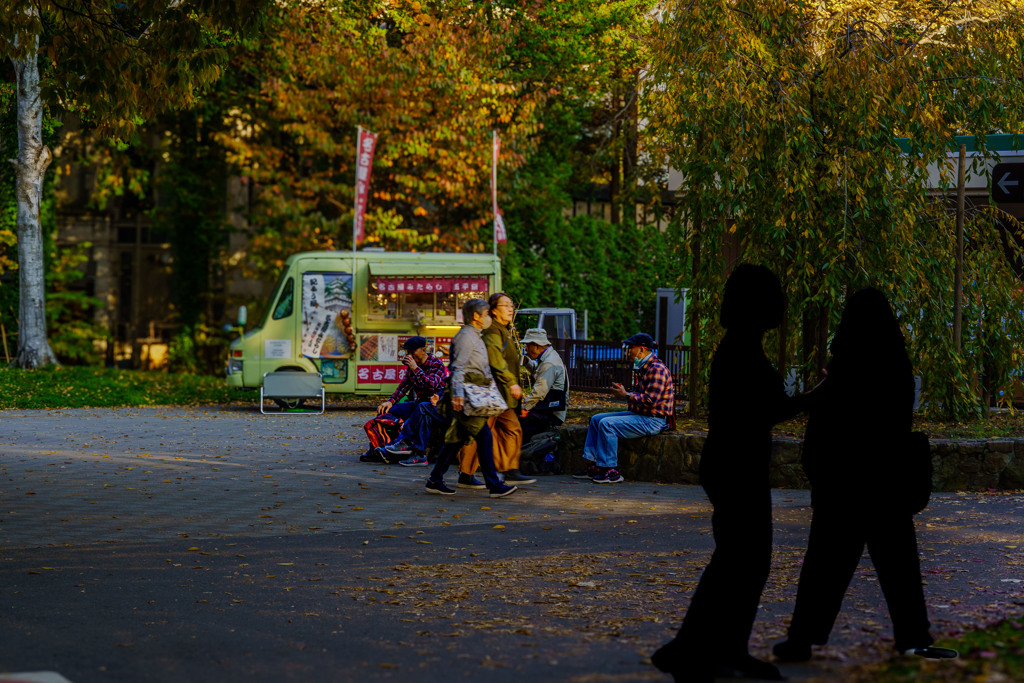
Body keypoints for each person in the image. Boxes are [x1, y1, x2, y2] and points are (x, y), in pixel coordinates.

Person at [772, 288, 957, 663]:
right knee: (900, 565)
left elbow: (825, 422)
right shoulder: (896, 363)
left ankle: (802, 639)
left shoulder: (844, 365)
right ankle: (913, 637)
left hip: (841, 483)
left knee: (824, 565)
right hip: (886, 482)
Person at [652, 264, 805, 682]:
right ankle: (704, 650)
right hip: (739, 468)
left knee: (737, 561)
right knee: (745, 562)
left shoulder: (738, 346)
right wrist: (816, 396)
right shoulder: (743, 350)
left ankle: (702, 649)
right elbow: (773, 408)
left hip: (730, 465)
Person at [424, 298, 518, 498]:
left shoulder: (475, 335)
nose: (488, 318)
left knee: (455, 440)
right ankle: (494, 484)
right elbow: (458, 367)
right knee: (485, 438)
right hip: (467, 397)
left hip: (470, 395)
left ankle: (435, 479)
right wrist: (457, 395)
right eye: (486, 315)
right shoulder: (466, 337)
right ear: (476, 316)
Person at [573, 332, 674, 484]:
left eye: (630, 348)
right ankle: (596, 465)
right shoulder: (645, 368)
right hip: (640, 414)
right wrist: (626, 392)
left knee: (607, 424)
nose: (628, 352)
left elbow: (651, 400)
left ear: (641, 349)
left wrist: (626, 395)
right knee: (596, 419)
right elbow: (640, 396)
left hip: (653, 420)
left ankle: (610, 471)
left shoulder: (657, 369)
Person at [458, 293, 535, 487]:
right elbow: (495, 359)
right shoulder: (493, 331)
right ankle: (465, 474)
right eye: (506, 305)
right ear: (493, 310)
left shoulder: (503, 330)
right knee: (481, 433)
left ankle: (508, 469)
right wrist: (512, 383)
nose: (511, 309)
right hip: (491, 393)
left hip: (502, 396)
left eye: (512, 305)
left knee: (512, 430)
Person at [519, 327, 568, 442]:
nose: (526, 349)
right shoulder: (549, 357)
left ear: (536, 345)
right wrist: (527, 363)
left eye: (527, 345)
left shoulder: (549, 362)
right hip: (548, 408)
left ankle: (523, 456)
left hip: (552, 413)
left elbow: (538, 392)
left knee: (521, 425)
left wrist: (524, 408)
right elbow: (539, 371)